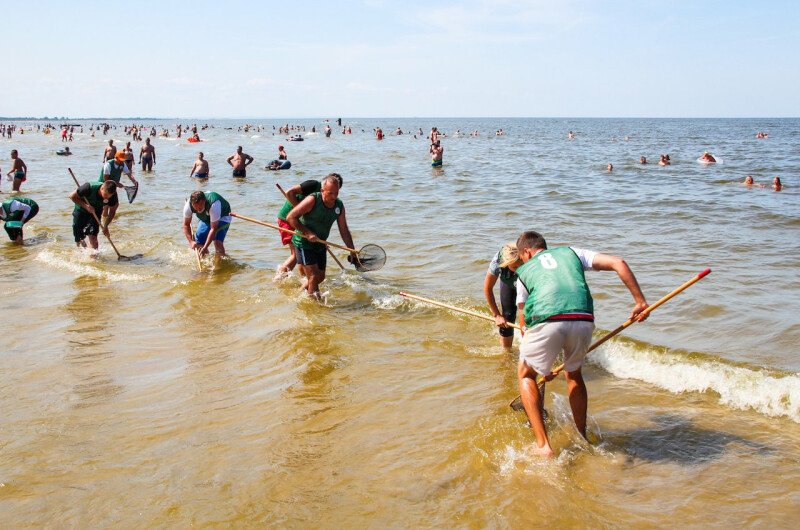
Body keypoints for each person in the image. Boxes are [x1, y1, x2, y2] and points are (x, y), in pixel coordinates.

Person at [514, 230, 648, 457]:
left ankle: (543, 446)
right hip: (584, 320)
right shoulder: (572, 252)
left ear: (526, 252)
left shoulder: (524, 272)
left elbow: (524, 318)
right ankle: (582, 436)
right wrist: (640, 301)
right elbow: (619, 262)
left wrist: (541, 366)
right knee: (573, 374)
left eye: (522, 256)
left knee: (526, 374)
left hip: (548, 321)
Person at [287, 174, 356, 298]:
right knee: (313, 276)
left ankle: (298, 295)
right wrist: (307, 233)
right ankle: (312, 306)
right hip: (304, 242)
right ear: (322, 190)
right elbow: (291, 217)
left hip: (320, 243)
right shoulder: (313, 200)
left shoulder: (339, 206)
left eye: (336, 193)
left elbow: (344, 230)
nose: (334, 197)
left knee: (320, 277)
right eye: (330, 193)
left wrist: (352, 251)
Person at [276, 174, 344, 278]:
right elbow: (289, 193)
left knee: (303, 256)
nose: (333, 196)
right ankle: (278, 279)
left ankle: (306, 280)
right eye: (331, 191)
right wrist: (302, 214)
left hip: (303, 222)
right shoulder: (313, 185)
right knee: (295, 254)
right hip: (288, 219)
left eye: (337, 191)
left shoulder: (330, 198)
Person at [484, 243, 521, 349]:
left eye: (520, 265)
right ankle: (507, 353)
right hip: (508, 281)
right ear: (506, 263)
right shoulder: (497, 261)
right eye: (515, 267)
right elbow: (488, 288)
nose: (519, 269)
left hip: (529, 281)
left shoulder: (530, 259)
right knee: (507, 316)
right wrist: (496, 315)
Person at [69, 180, 119, 250]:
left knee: (93, 235)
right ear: (101, 188)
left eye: (108, 197)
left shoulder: (113, 196)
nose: (106, 198)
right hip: (81, 209)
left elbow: (112, 211)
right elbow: (71, 196)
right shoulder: (88, 188)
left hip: (96, 211)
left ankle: (94, 257)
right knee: (79, 237)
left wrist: (106, 226)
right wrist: (86, 206)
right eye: (105, 195)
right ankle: (81, 252)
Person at [182, 190, 232, 257]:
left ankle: (219, 265)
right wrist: (191, 242)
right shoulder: (188, 206)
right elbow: (186, 225)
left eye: (200, 207)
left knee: (217, 242)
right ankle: (205, 263)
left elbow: (213, 228)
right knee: (199, 242)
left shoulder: (214, 204)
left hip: (223, 215)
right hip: (206, 218)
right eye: (195, 208)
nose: (198, 210)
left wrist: (205, 247)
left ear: (204, 201)